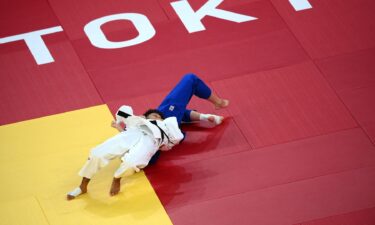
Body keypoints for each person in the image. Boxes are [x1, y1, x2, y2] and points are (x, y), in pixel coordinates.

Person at [66, 107, 184, 200]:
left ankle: (117, 178)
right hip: (131, 134)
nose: (157, 117)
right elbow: (123, 111)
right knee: (96, 154)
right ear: (145, 116)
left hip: (150, 141)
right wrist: (124, 121)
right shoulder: (137, 121)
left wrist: (165, 137)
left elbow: (177, 138)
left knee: (131, 163)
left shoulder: (166, 125)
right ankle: (82, 187)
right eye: (154, 115)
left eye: (159, 117)